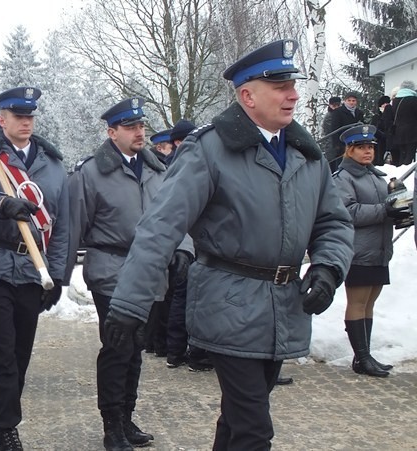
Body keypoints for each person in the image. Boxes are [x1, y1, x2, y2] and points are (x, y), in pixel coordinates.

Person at [101, 39, 354, 450]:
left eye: (293, 84)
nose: (292, 94)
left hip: (283, 308)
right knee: (255, 430)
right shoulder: (210, 150)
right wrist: (130, 306)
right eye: (279, 85)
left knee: (238, 424)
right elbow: (160, 228)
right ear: (247, 95)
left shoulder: (309, 156)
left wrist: (328, 267)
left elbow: (333, 222)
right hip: (229, 306)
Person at [67, 97, 193, 450]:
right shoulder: (91, 173)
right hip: (111, 271)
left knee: (136, 348)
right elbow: (73, 226)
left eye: (142, 126)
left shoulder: (157, 169)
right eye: (131, 127)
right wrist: (57, 277)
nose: (140, 132)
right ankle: (111, 425)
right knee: (117, 346)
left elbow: (176, 214)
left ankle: (126, 418)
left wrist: (183, 249)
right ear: (112, 132)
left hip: (151, 270)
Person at [0, 86, 69, 450]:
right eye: (17, 116)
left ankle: (1, 422)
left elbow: (62, 222)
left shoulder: (51, 164)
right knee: (3, 351)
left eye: (29, 116)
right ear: (1, 119)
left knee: (21, 351)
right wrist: (2, 203)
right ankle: (6, 427)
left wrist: (57, 275)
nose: (25, 122)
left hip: (32, 268)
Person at [333, 125, 408, 378]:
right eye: (362, 148)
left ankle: (363, 356)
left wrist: (399, 208)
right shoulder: (343, 178)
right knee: (358, 302)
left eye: (370, 148)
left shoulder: (376, 176)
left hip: (378, 250)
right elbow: (348, 212)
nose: (368, 152)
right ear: (349, 150)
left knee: (369, 303)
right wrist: (384, 211)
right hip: (358, 250)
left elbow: (385, 207)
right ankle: (362, 358)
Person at [327, 93, 365, 172]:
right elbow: (334, 129)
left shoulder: (359, 112)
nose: (351, 102)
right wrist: (336, 144)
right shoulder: (338, 112)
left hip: (356, 141)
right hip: (342, 142)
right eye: (349, 100)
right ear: (345, 101)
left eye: (353, 101)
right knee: (341, 163)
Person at [390, 80, 417, 166]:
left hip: (398, 131)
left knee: (402, 154)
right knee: (410, 155)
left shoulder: (395, 101)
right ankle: (406, 173)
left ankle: (401, 170)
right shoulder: (413, 100)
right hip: (412, 131)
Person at [371, 96, 394, 166]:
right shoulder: (376, 117)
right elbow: (373, 129)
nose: (385, 105)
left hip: (389, 143)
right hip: (379, 143)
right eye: (384, 103)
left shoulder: (392, 115)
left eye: (387, 103)